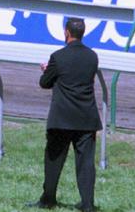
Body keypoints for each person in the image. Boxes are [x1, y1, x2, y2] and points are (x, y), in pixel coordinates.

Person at [27, 18, 101, 212]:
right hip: (86, 118)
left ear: (67, 33)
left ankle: (48, 199)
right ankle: (87, 204)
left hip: (61, 118)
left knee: (53, 161)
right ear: (83, 33)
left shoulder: (58, 57)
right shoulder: (92, 56)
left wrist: (47, 70)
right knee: (85, 164)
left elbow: (45, 83)